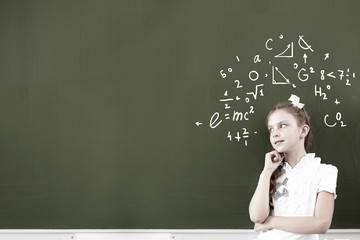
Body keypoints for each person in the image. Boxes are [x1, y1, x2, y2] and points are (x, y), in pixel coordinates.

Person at [249, 94, 338, 240]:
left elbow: (321, 224)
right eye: (271, 129)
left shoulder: (325, 171)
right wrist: (266, 172)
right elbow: (257, 217)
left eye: (282, 125)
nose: (275, 133)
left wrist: (271, 221)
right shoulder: (271, 171)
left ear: (303, 131)